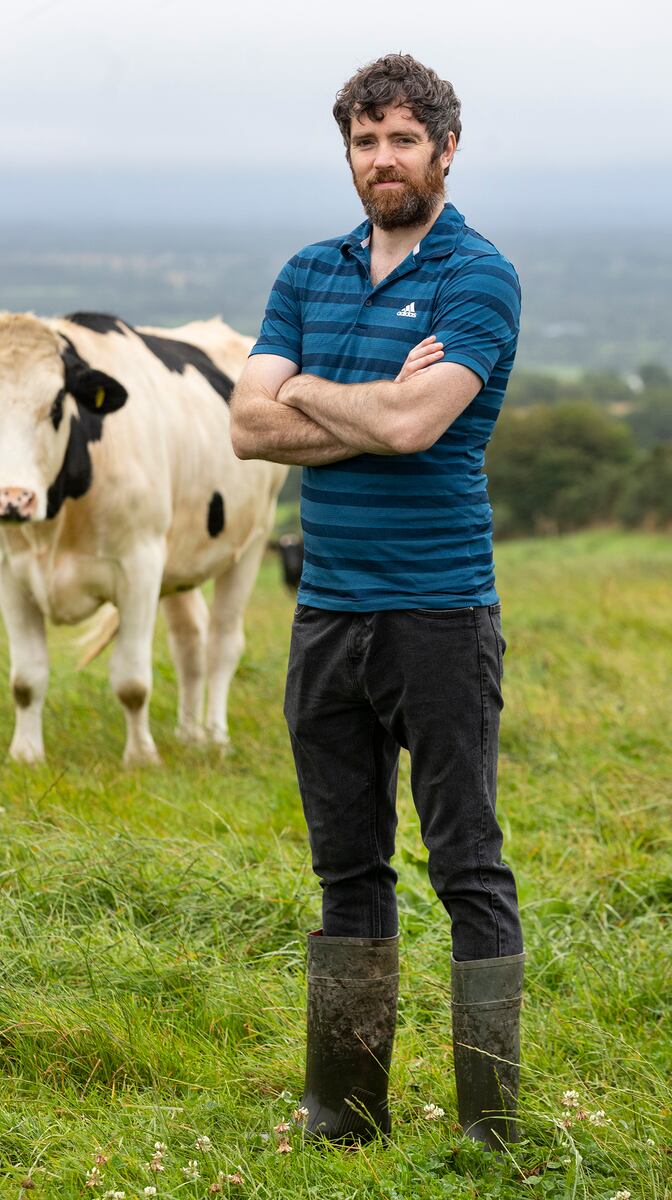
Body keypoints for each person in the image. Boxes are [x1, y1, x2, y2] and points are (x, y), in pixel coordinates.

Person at [230, 53, 524, 1149]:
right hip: (327, 615)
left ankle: (488, 1128)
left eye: (403, 139)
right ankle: (341, 1112)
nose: (382, 159)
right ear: (346, 151)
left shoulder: (474, 276)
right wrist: (350, 394)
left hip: (439, 613)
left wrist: (301, 385)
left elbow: (415, 429)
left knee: (465, 863)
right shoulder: (308, 272)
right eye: (364, 140)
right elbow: (244, 427)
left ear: (444, 150)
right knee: (343, 862)